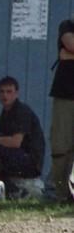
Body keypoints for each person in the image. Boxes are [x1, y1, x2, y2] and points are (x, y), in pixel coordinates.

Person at [0, 76, 45, 199]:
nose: (5, 95)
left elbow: (16, 142)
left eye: (9, 91)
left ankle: (6, 189)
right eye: (2, 91)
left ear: (16, 93)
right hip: (17, 157)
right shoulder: (5, 113)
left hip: (29, 162)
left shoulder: (21, 112)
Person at [49, 16, 74, 202]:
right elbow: (70, 43)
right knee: (61, 145)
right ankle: (61, 193)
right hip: (66, 94)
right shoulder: (67, 24)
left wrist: (69, 56)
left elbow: (69, 51)